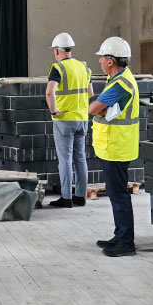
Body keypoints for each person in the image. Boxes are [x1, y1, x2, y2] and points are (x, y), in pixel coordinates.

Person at [88, 37, 139, 257]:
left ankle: (126, 242)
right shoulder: (119, 79)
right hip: (114, 145)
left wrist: (96, 107)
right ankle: (120, 236)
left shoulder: (120, 84)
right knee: (116, 193)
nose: (99, 60)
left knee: (119, 195)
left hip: (116, 147)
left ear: (110, 61)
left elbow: (94, 108)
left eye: (101, 57)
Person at [45, 32, 94, 208]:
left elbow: (50, 92)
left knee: (65, 159)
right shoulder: (84, 68)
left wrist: (54, 111)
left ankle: (66, 198)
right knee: (80, 158)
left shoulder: (58, 68)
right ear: (71, 49)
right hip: (82, 119)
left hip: (64, 120)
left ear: (57, 50)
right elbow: (91, 94)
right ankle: (80, 196)